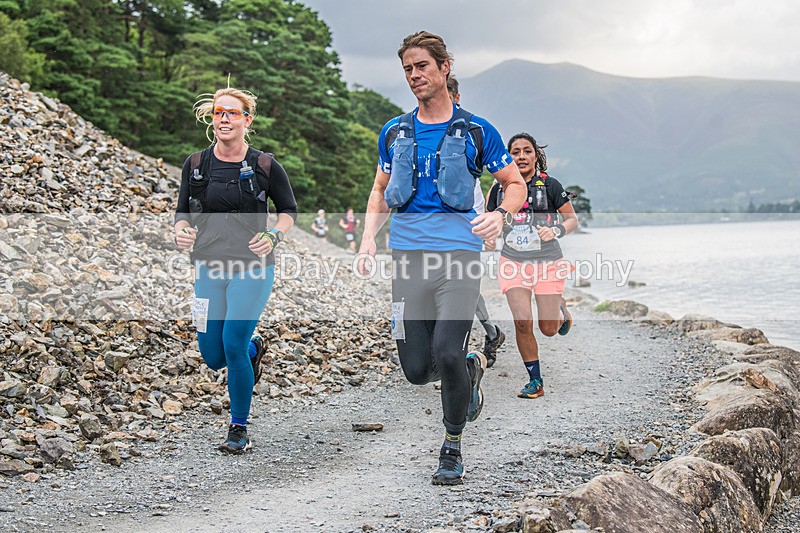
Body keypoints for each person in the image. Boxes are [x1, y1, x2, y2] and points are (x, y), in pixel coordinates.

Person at [357, 31, 525, 485]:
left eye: (422, 66)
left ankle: (451, 446)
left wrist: (501, 216)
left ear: (444, 67)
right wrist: (369, 238)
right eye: (407, 69)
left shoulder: (477, 130)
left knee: (447, 350)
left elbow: (514, 184)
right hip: (407, 258)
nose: (414, 75)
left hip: (459, 257)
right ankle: (468, 371)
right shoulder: (394, 131)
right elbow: (380, 190)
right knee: (416, 370)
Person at [174, 87, 297, 453]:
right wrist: (181, 231)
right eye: (218, 112)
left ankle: (238, 427)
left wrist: (274, 236)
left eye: (232, 112)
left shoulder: (265, 165)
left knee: (232, 344)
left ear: (247, 119)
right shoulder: (196, 164)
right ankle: (254, 349)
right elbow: (182, 211)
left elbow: (289, 211)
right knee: (214, 357)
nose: (224, 118)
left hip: (252, 268)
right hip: (208, 266)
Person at [485, 133, 578, 399]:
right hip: (513, 263)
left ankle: (560, 310)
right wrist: (489, 238)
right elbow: (490, 220)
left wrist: (556, 230)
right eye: (515, 152)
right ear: (508, 157)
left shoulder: (550, 185)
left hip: (548, 262)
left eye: (527, 151)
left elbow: (572, 220)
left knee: (548, 329)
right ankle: (535, 381)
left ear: (536, 155)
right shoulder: (499, 189)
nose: (521, 156)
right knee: (522, 321)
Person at [447, 76, 505, 367]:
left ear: (456, 97)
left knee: (462, 289)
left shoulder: (470, 134)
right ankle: (491, 333)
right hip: (432, 233)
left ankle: (457, 357)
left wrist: (485, 231)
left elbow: (477, 192)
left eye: (448, 95)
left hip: (465, 231)